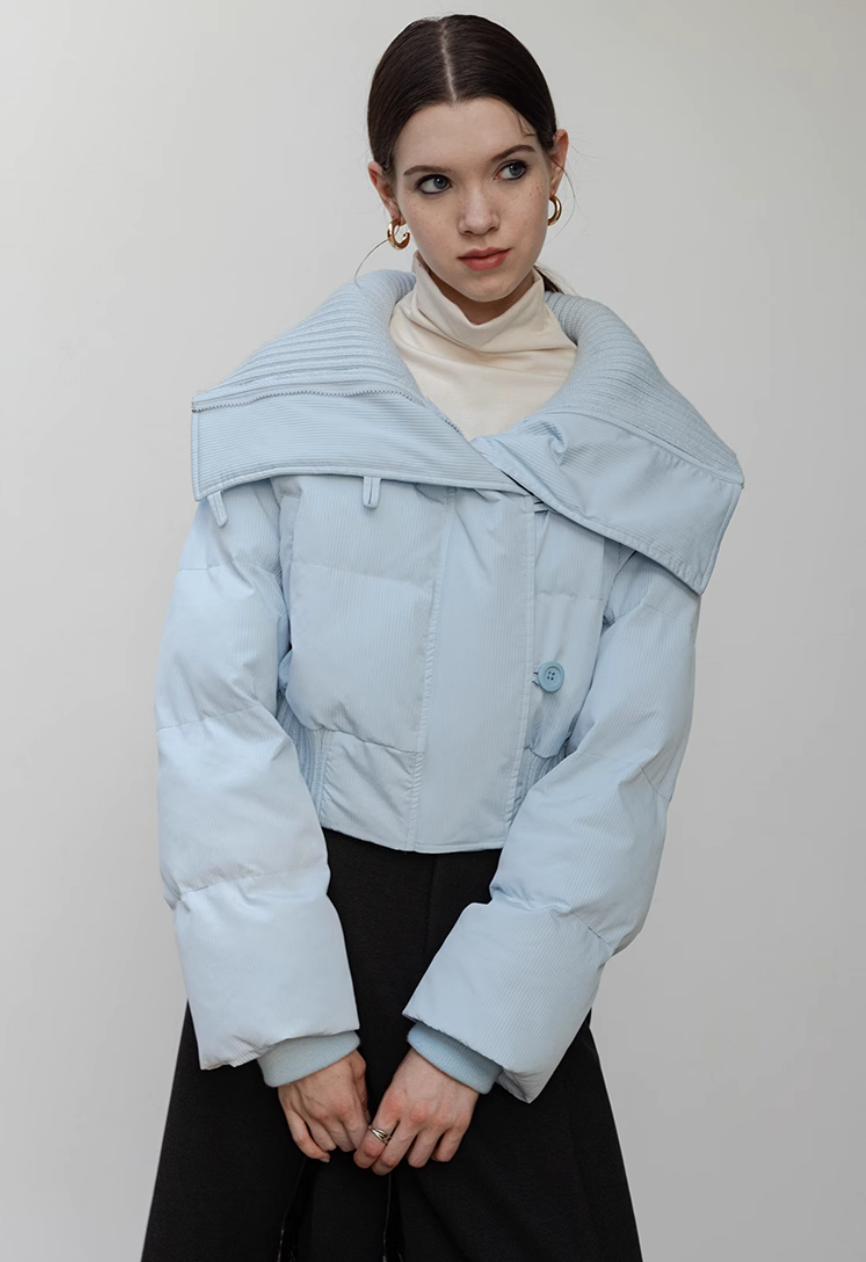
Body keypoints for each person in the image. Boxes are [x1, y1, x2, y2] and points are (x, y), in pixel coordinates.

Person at [140, 14, 744, 1262]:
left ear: (557, 162)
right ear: (386, 193)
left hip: (506, 945)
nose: (478, 216)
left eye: (509, 168)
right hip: (298, 925)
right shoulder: (287, 412)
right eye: (434, 182)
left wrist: (472, 1038)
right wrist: (294, 1024)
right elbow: (216, 716)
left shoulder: (649, 462)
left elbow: (620, 768)